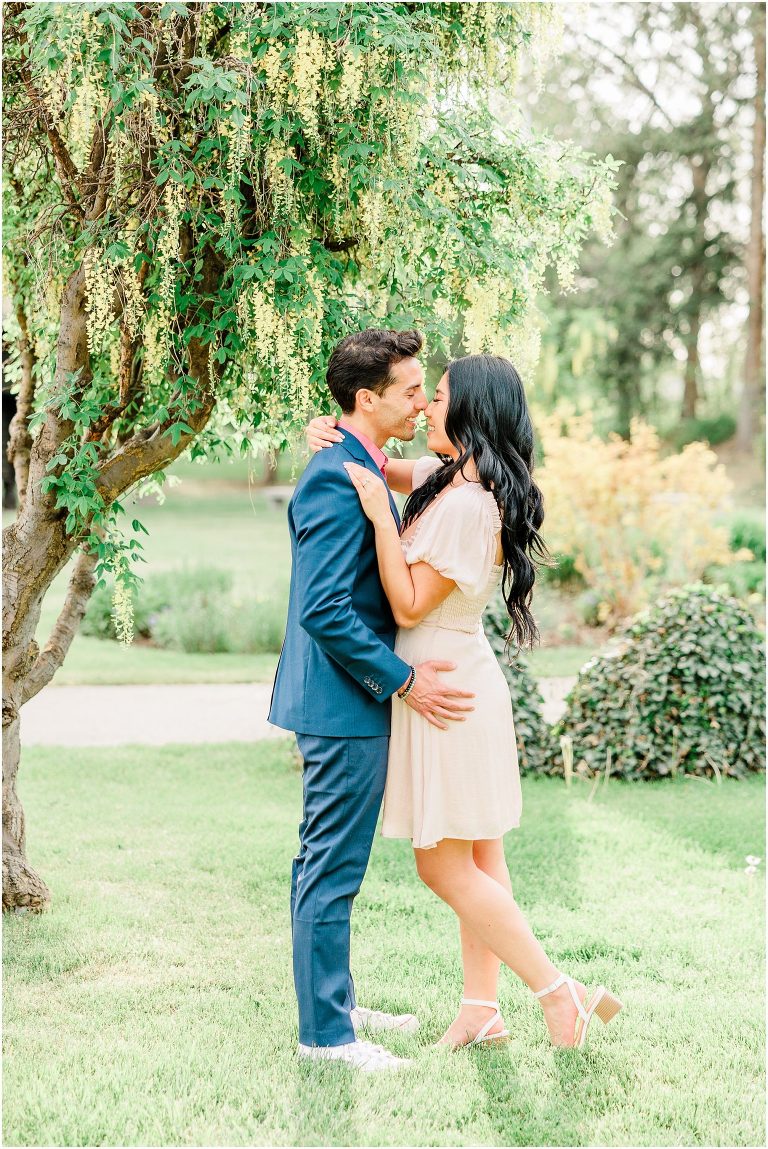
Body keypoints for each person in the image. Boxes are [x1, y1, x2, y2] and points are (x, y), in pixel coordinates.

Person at [307, 352, 623, 1050]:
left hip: (442, 689)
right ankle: (483, 1008)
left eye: (438, 396)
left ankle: (555, 990)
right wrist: (327, 429)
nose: (424, 407)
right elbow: (373, 464)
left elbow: (409, 599)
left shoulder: (465, 505)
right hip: (463, 678)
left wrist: (381, 524)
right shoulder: (447, 479)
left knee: (441, 863)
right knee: (481, 854)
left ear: (472, 411)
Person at [268, 329, 476, 1072]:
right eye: (412, 390)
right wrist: (407, 680)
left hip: (347, 701)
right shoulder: (334, 475)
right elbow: (325, 609)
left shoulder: (360, 461)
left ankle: (334, 1001)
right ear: (368, 398)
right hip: (340, 703)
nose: (423, 402)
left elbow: (458, 463)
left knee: (328, 864)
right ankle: (326, 1035)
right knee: (330, 866)